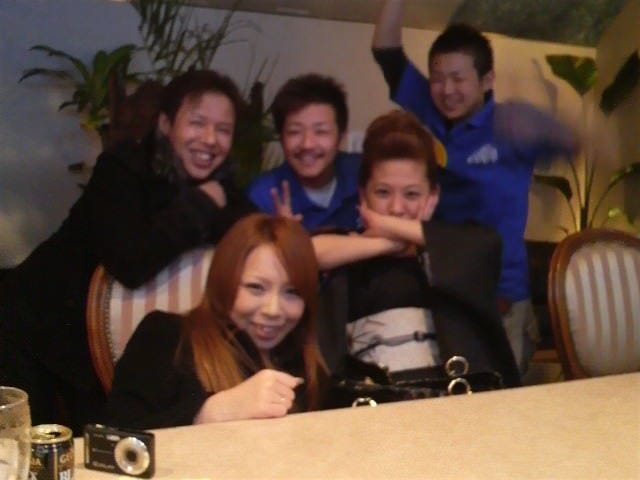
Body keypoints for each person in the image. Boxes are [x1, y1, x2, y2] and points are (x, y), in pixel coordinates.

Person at [0, 70, 254, 433]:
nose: (210, 139)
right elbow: (132, 262)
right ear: (166, 124)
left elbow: (252, 241)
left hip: (107, 348)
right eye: (197, 123)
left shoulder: (222, 188)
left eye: (223, 129)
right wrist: (200, 204)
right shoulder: (121, 169)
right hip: (35, 322)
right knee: (26, 444)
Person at [371, 1, 577, 372]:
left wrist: (553, 124)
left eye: (458, 78)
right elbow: (386, 51)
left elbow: (580, 141)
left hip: (501, 300)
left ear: (486, 80)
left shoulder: (510, 123)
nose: (446, 89)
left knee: (501, 398)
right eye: (438, 78)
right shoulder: (429, 107)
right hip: (444, 292)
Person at [316, 110, 521, 388]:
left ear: (432, 198)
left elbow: (485, 247)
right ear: (363, 195)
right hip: (374, 403)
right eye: (383, 192)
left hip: (454, 400)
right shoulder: (347, 251)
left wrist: (385, 225)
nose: (396, 208)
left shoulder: (459, 248)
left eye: (411, 194)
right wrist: (387, 242)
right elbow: (306, 255)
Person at [105, 213, 327, 428]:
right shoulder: (166, 336)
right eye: (256, 288)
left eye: (292, 292)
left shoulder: (303, 354)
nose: (273, 310)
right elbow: (114, 438)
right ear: (223, 281)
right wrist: (209, 412)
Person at [247, 74, 360, 232]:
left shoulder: (363, 172)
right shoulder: (264, 195)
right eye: (294, 132)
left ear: (341, 136)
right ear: (281, 138)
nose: (307, 144)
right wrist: (282, 237)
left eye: (320, 131)